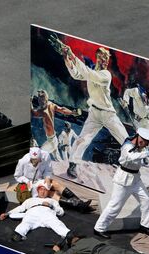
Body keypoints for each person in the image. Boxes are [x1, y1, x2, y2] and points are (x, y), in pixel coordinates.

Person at [49, 35, 129, 178]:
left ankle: (136, 162)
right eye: (101, 57)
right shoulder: (92, 72)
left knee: (125, 139)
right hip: (94, 114)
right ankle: (73, 164)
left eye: (106, 58)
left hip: (108, 114)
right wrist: (66, 57)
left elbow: (87, 72)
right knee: (82, 139)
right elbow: (76, 74)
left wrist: (71, 53)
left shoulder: (105, 75)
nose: (103, 60)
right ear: (97, 58)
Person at [93, 127, 149, 239]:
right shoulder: (127, 147)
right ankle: (99, 228)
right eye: (145, 142)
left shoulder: (139, 145)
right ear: (139, 138)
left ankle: (145, 225)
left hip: (136, 179)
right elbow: (131, 157)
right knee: (115, 206)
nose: (146, 145)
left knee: (147, 200)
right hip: (123, 179)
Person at [14, 147, 92, 212]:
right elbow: (17, 176)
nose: (36, 162)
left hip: (40, 180)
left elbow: (48, 170)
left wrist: (47, 178)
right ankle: (78, 205)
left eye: (38, 160)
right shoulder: (22, 161)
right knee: (49, 193)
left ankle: (80, 203)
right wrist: (27, 181)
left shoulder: (45, 155)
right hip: (29, 184)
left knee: (56, 184)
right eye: (33, 160)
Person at [0, 182, 71, 242]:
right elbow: (20, 208)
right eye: (41, 189)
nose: (43, 192)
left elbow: (61, 212)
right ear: (38, 190)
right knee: (26, 222)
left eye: (45, 190)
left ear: (48, 192)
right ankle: (18, 235)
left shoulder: (52, 201)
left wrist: (51, 206)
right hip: (32, 212)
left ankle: (68, 236)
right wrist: (7, 213)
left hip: (46, 212)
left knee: (55, 222)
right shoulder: (30, 200)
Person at [31, 90, 80, 161]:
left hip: (51, 141)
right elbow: (62, 109)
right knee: (59, 160)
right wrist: (72, 112)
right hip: (54, 140)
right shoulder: (51, 105)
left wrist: (30, 102)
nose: (40, 100)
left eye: (41, 98)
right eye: (39, 98)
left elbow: (33, 113)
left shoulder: (42, 111)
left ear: (46, 98)